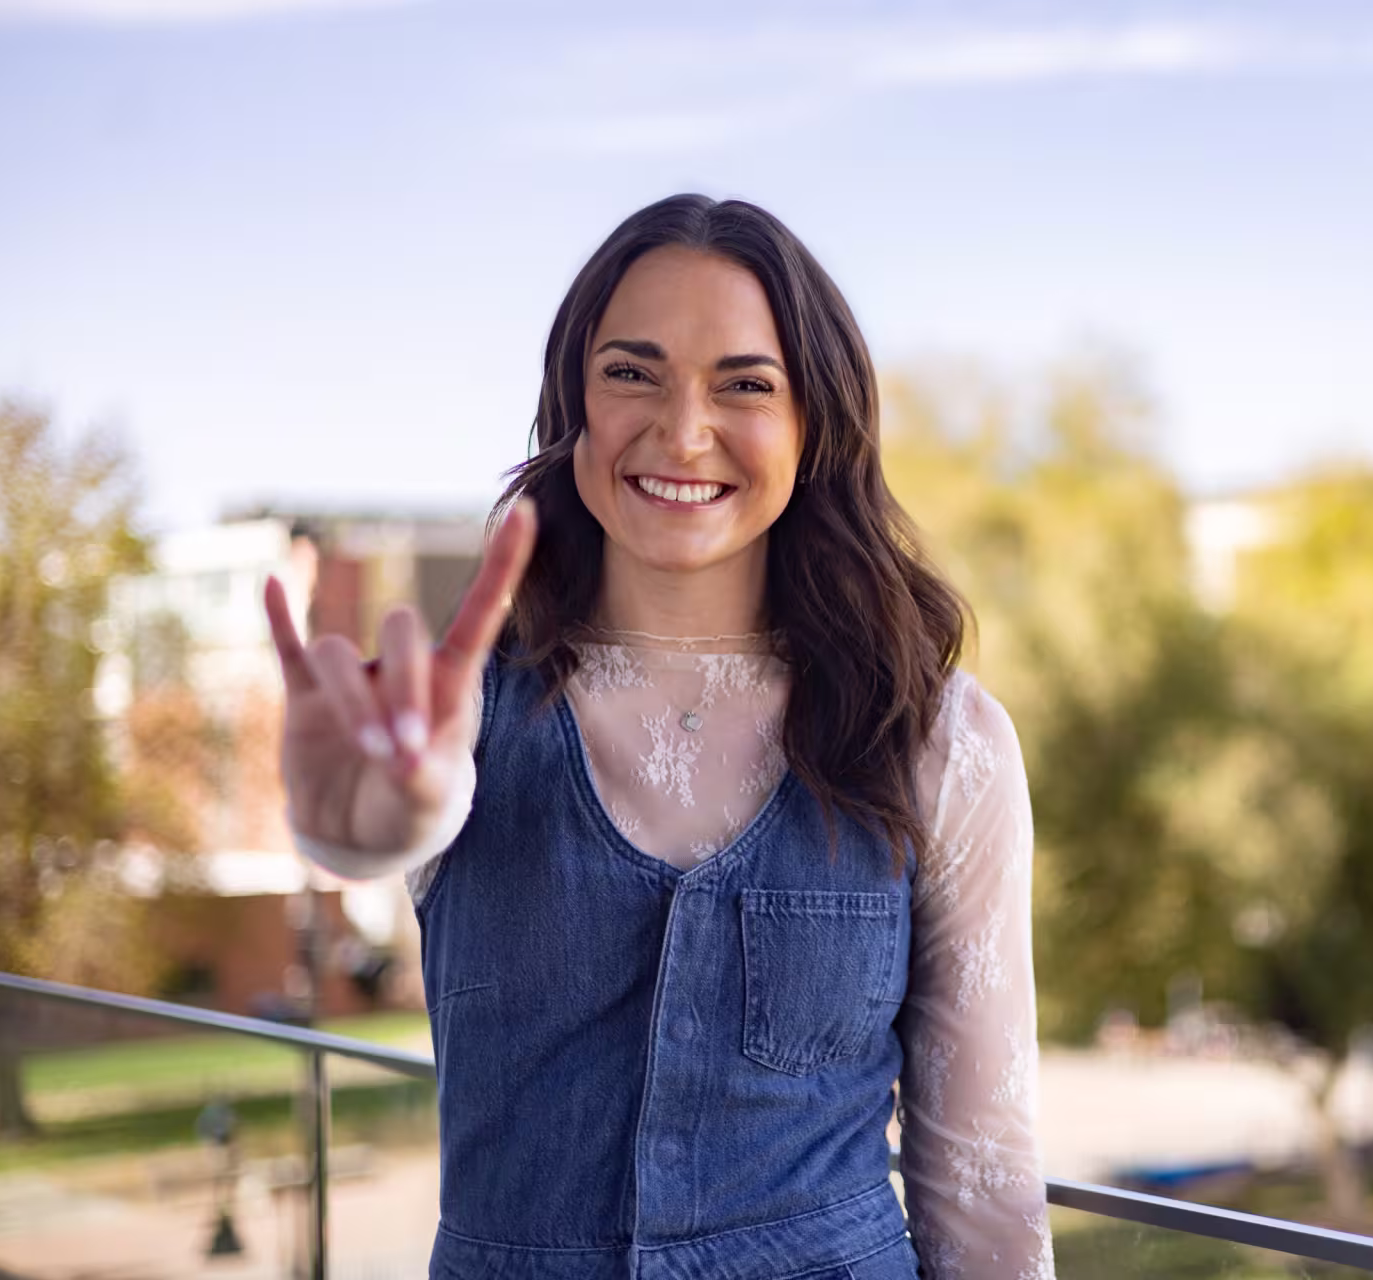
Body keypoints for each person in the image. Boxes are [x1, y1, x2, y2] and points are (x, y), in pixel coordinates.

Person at [266, 195, 1053, 1280]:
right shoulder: (462, 716)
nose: (684, 431)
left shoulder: (938, 736)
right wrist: (358, 821)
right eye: (633, 372)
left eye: (745, 384)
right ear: (573, 405)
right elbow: (388, 822)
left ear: (814, 423)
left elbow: (984, 1181)